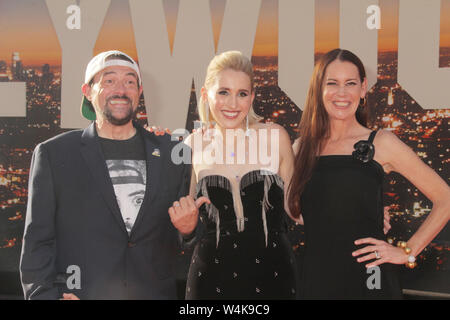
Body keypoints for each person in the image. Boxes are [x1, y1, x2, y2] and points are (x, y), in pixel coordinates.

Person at [19, 50, 190, 299]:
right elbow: (37, 241)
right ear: (87, 91)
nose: (121, 90)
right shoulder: (54, 154)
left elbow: (184, 232)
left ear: (139, 92)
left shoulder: (172, 153)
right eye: (109, 80)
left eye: (130, 81)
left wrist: (190, 229)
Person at [288, 48, 450, 299]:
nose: (342, 93)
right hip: (316, 278)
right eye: (332, 83)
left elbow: (445, 199)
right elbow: (296, 212)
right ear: (318, 89)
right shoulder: (301, 148)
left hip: (370, 280)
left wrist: (407, 251)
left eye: (350, 83)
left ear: (363, 89)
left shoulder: (382, 142)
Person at [168, 51, 299, 299]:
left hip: (273, 277)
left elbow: (298, 210)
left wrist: (361, 209)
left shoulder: (275, 137)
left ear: (252, 97)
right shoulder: (192, 145)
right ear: (206, 95)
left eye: (242, 94)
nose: (233, 104)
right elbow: (185, 223)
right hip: (209, 278)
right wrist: (185, 228)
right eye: (223, 92)